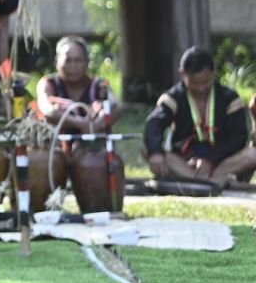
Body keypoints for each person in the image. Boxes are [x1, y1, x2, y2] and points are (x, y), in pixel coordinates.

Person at [143, 47, 256, 184]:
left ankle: (197, 179)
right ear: (182, 74)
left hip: (222, 162)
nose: (201, 88)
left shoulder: (229, 98)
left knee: (252, 154)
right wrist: (156, 153)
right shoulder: (173, 97)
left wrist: (209, 160)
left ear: (213, 73)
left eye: (206, 82)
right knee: (147, 149)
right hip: (186, 162)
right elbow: (154, 123)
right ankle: (211, 181)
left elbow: (238, 138)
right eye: (195, 84)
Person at [35, 36, 116, 134]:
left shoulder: (99, 85)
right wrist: (80, 123)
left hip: (93, 144)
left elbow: (114, 104)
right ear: (56, 62)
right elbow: (46, 108)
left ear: (87, 62)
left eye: (78, 60)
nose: (73, 66)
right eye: (67, 61)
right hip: (56, 144)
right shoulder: (47, 83)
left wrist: (96, 124)